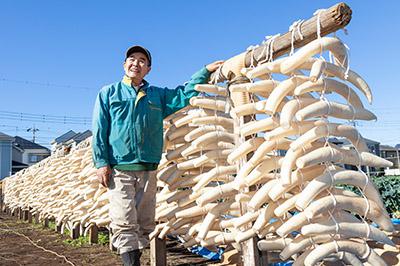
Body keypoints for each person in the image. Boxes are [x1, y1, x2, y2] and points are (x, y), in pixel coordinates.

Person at [91, 45, 223, 266]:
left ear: (148, 69)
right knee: (124, 219)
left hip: (149, 168)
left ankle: (136, 259)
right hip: (121, 167)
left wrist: (205, 71)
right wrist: (101, 162)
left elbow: (184, 94)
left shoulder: (157, 96)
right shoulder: (109, 93)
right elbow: (99, 129)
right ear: (124, 65)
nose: (136, 63)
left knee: (144, 222)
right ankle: (131, 263)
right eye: (132, 59)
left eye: (142, 60)